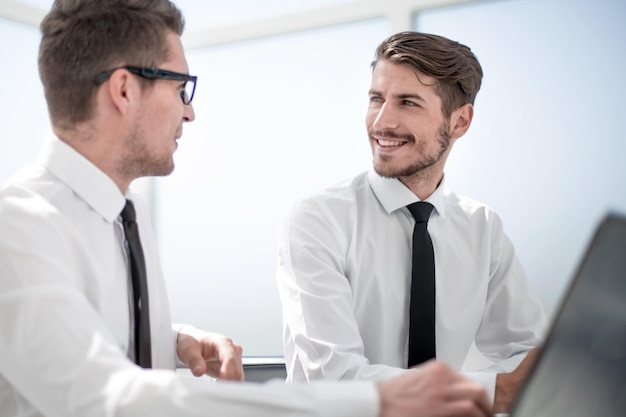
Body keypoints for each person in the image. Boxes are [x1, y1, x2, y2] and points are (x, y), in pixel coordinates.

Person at [0, 2, 495, 417]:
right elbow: (101, 396)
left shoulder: (125, 212)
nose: (189, 111)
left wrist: (171, 340)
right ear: (124, 90)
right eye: (180, 87)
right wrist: (374, 400)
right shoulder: (15, 227)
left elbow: (66, 331)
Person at [276, 31, 548, 414]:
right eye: (376, 99)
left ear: (459, 121)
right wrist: (489, 389)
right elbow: (335, 379)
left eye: (408, 103)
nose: (382, 122)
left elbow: (527, 356)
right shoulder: (317, 220)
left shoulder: (482, 227)